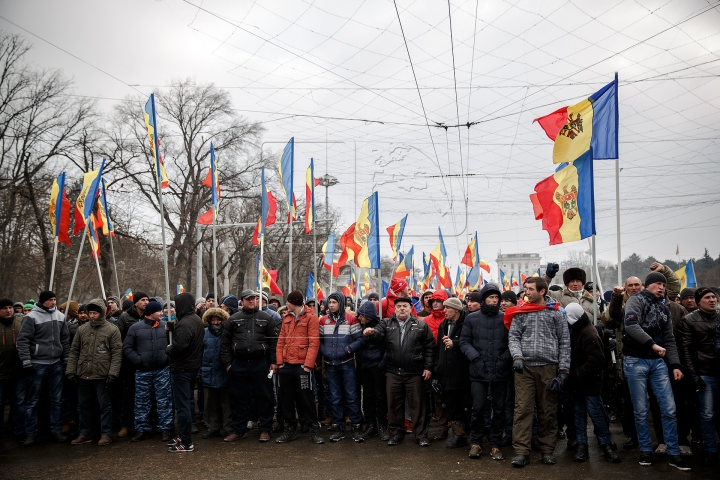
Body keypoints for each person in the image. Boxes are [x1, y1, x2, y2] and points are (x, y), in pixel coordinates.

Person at [622, 272, 690, 471]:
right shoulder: (636, 301)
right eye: (658, 284)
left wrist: (675, 365)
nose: (661, 287)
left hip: (658, 363)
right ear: (648, 285)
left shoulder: (664, 310)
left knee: (669, 408)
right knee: (641, 410)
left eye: (664, 285)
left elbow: (669, 339)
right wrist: (652, 344)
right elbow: (631, 325)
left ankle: (673, 453)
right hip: (635, 361)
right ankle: (645, 449)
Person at [506, 277, 569, 467]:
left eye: (531, 289)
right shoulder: (520, 312)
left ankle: (547, 449)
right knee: (522, 410)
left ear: (542, 292)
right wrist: (517, 356)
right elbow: (514, 337)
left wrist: (564, 369)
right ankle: (522, 451)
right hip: (524, 368)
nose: (526, 292)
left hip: (549, 367)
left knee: (547, 409)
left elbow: (565, 342)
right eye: (525, 289)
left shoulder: (556, 313)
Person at [363, 297, 435, 447]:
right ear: (394, 309)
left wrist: (428, 367)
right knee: (394, 404)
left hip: (415, 372)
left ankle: (421, 435)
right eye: (399, 306)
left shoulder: (421, 325)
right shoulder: (387, 324)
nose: (402, 309)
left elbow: (429, 348)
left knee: (417, 405)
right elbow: (377, 335)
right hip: (393, 371)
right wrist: (371, 333)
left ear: (410, 309)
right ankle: (396, 433)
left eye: (405, 306)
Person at [563, 303, 620, 463]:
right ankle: (582, 444)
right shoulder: (579, 330)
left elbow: (597, 359)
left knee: (596, 414)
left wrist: (578, 373)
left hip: (589, 384)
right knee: (579, 414)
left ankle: (606, 444)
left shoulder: (587, 333)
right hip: (579, 383)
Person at [460, 283, 510, 461]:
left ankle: (496, 444)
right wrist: (475, 358)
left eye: (497, 298)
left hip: (500, 371)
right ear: (483, 299)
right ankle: (476, 443)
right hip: (478, 371)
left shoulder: (505, 317)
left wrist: (504, 359)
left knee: (499, 409)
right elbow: (464, 342)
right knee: (478, 408)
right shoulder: (472, 319)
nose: (494, 301)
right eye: (491, 297)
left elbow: (513, 341)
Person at [221, 290, 277, 443]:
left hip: (261, 363)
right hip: (238, 363)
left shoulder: (266, 318)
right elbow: (225, 344)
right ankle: (239, 430)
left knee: (264, 396)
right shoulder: (233, 319)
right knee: (238, 398)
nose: (252, 301)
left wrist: (273, 362)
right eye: (248, 299)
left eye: (254, 299)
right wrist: (228, 364)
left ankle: (265, 429)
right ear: (242, 301)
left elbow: (273, 342)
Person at [16, 290, 70, 446]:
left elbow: (65, 340)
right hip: (37, 363)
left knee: (57, 400)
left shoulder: (60, 317)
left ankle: (56, 430)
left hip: (56, 363)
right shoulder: (31, 317)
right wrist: (26, 361)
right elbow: (23, 341)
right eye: (50, 300)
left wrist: (65, 358)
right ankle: (30, 433)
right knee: (33, 400)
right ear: (42, 301)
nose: (53, 302)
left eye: (54, 299)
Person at [65, 298, 122, 446]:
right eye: (90, 313)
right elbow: (74, 351)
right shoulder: (82, 330)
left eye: (95, 313)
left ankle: (106, 433)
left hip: (102, 374)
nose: (92, 315)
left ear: (102, 313)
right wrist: (71, 370)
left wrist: (113, 373)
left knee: (104, 405)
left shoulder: (112, 329)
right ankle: (85, 433)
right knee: (83, 405)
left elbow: (117, 353)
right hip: (83, 373)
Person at [123, 300, 174, 443]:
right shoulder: (135, 328)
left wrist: (167, 357)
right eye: (159, 311)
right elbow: (127, 348)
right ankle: (142, 429)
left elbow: (173, 344)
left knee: (164, 400)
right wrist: (138, 360)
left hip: (162, 369)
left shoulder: (166, 327)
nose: (162, 313)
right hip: (142, 371)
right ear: (151, 313)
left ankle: (165, 428)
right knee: (141, 401)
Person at [275, 291, 323, 444]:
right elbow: (280, 341)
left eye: (287, 302)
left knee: (307, 398)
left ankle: (314, 429)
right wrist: (280, 362)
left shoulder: (311, 318)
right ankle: (290, 429)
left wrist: (308, 365)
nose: (286, 304)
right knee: (286, 398)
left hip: (302, 365)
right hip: (287, 364)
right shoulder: (287, 317)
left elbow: (314, 343)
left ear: (292, 302)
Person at [678, 287, 718, 466]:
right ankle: (710, 449)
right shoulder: (689, 320)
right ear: (698, 300)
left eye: (714, 297)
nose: (712, 300)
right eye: (707, 297)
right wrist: (693, 375)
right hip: (705, 373)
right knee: (708, 414)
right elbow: (685, 350)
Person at [319, 292, 364, 442]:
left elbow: (359, 339)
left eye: (334, 302)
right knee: (335, 397)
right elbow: (319, 340)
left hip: (347, 363)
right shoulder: (323, 321)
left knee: (351, 396)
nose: (330, 305)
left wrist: (349, 349)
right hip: (330, 364)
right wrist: (324, 351)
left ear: (341, 303)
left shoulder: (351, 319)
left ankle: (356, 427)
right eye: (329, 302)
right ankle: (338, 427)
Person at [165, 293, 204, 452]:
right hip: (192, 366)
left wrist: (168, 348)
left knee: (182, 407)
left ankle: (186, 442)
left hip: (182, 368)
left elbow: (180, 346)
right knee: (186, 404)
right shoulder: (196, 320)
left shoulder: (185, 324)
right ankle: (183, 434)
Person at [436, 296, 470, 449]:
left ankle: (474, 436)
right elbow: (439, 350)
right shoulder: (443, 325)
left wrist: (454, 343)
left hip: (463, 374)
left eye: (447, 308)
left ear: (456, 309)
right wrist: (438, 370)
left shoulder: (467, 323)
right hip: (447, 374)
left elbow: (472, 343)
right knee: (452, 407)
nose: (444, 311)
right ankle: (458, 435)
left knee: (468, 406)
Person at [116, 292, 149, 438]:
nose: (146, 302)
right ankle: (126, 424)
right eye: (143, 300)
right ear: (135, 303)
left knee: (143, 395)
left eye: (147, 300)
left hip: (145, 362)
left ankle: (143, 424)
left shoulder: (149, 317)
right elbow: (119, 340)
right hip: (129, 362)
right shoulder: (125, 318)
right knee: (127, 394)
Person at [356, 300, 388, 441]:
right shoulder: (358, 327)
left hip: (377, 366)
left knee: (380, 397)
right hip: (364, 367)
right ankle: (370, 424)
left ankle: (382, 425)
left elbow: (387, 347)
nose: (359, 318)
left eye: (362, 315)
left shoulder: (380, 327)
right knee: (368, 397)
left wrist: (381, 364)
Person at [200, 307, 232, 439]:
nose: (215, 322)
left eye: (218, 320)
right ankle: (213, 427)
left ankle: (228, 427)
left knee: (227, 403)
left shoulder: (227, 333)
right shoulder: (203, 333)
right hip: (208, 372)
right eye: (212, 320)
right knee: (210, 403)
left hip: (224, 372)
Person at [0, 298, 24, 441]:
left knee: (19, 402)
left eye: (10, 307)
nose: (8, 310)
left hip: (18, 371)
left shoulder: (20, 322)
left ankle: (20, 431)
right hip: (1, 372)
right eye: (4, 308)